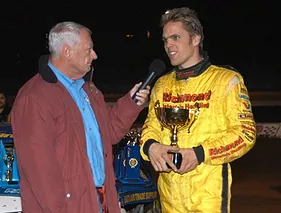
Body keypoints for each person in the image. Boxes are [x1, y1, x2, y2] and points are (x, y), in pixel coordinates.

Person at [11, 21, 150, 213]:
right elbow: (40, 172)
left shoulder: (88, 90)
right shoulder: (35, 97)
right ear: (67, 51)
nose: (94, 55)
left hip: (99, 200)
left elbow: (108, 131)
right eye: (88, 50)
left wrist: (131, 103)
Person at [140, 7, 256, 213]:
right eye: (165, 40)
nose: (169, 45)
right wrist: (151, 147)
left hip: (208, 197)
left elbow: (245, 134)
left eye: (175, 37)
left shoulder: (227, 80)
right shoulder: (161, 85)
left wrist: (200, 154)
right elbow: (150, 128)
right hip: (169, 198)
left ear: (195, 39)